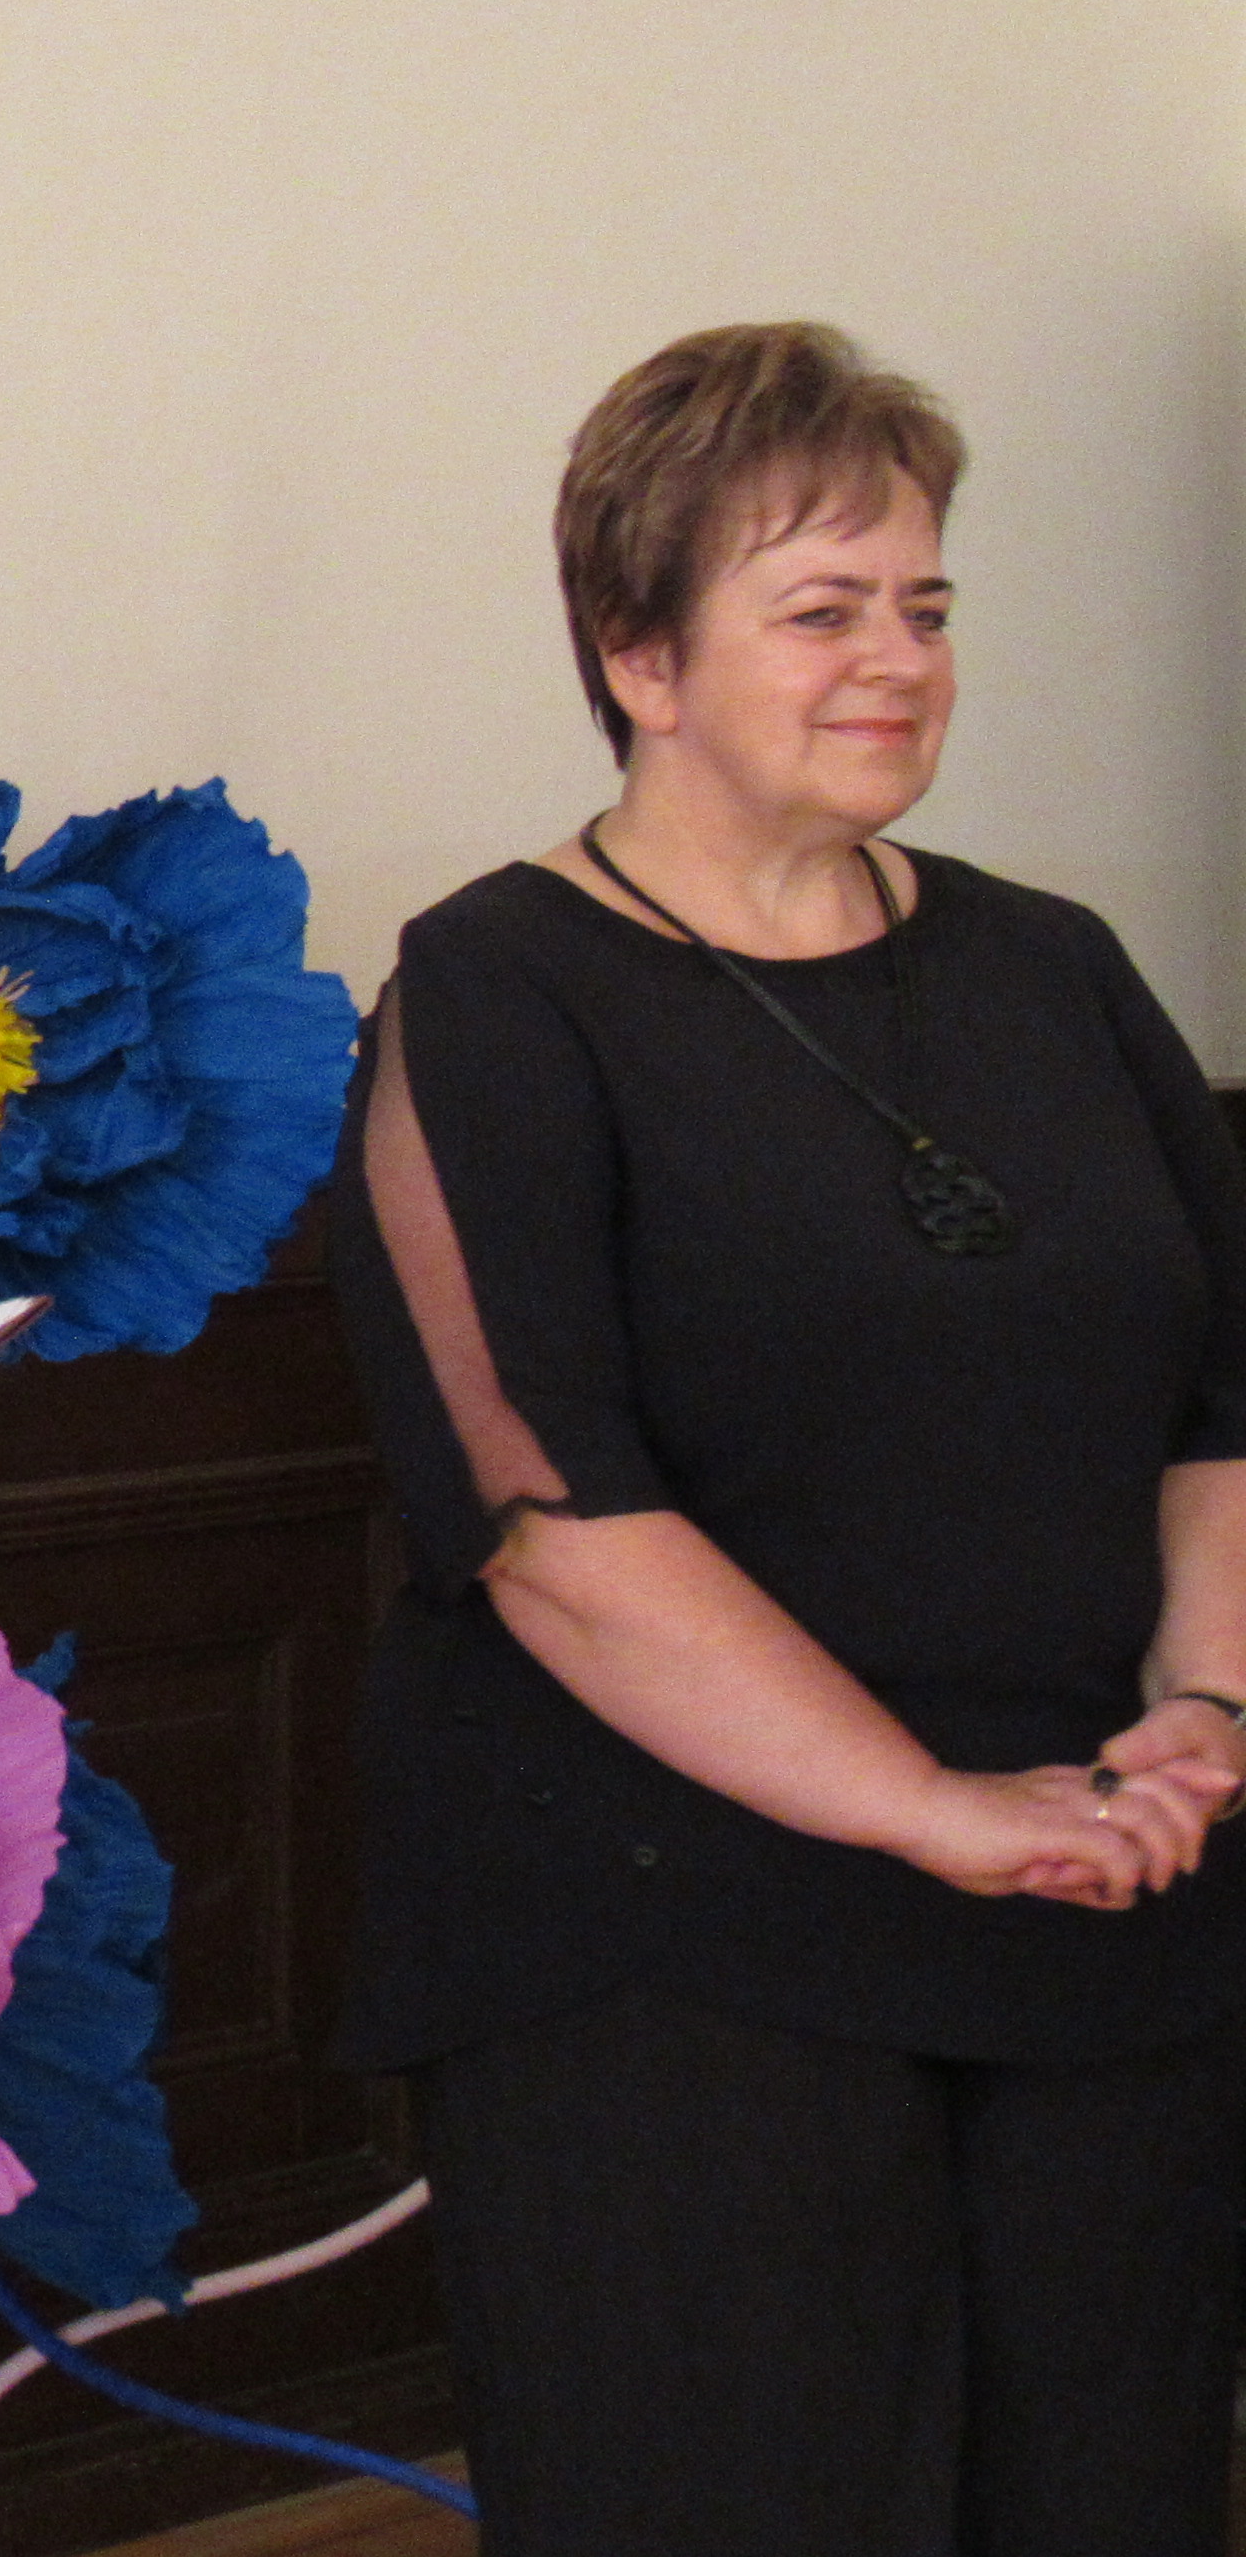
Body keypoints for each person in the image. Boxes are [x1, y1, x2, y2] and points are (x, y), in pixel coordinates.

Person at [325, 320, 1246, 2557]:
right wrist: (922, 1808)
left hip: (1100, 1870)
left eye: (925, 604)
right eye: (823, 610)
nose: (899, 662)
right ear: (637, 657)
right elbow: (550, 1522)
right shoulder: (495, 994)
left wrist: (1206, 1709)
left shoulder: (1059, 964)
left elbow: (1224, 1401)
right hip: (670, 1916)